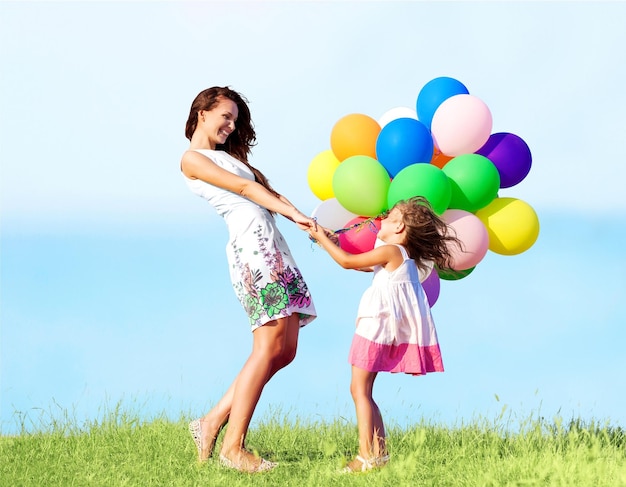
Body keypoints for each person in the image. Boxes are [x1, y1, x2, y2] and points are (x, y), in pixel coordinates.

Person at [180, 86, 317, 473]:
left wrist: (303, 219)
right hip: (253, 249)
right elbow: (243, 189)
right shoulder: (192, 159)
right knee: (267, 344)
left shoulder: (228, 157)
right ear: (202, 112)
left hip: (272, 244)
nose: (231, 124)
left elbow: (264, 190)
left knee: (285, 349)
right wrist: (293, 216)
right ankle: (232, 448)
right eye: (225, 115)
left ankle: (210, 423)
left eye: (235, 119)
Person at [307, 197, 461, 472]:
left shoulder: (392, 251)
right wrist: (330, 241)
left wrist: (320, 234)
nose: (382, 218)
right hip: (381, 327)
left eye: (390, 217)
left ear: (400, 228)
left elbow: (347, 262)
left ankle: (366, 455)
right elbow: (365, 265)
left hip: (374, 326)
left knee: (359, 390)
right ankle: (379, 453)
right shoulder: (399, 256)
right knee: (364, 390)